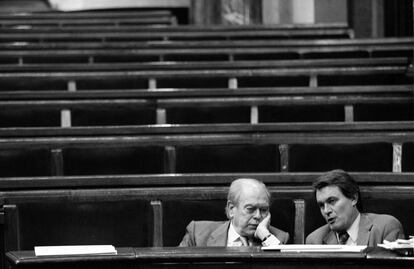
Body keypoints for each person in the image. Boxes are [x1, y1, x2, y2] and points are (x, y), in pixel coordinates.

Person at [179, 178, 289, 247]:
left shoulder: (278, 238)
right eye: (250, 209)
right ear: (231, 209)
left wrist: (266, 237)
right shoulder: (198, 234)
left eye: (263, 210)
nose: (258, 216)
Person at [306, 169, 405, 246]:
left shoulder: (385, 228)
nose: (326, 211)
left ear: (353, 198)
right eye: (321, 205)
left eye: (332, 201)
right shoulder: (314, 240)